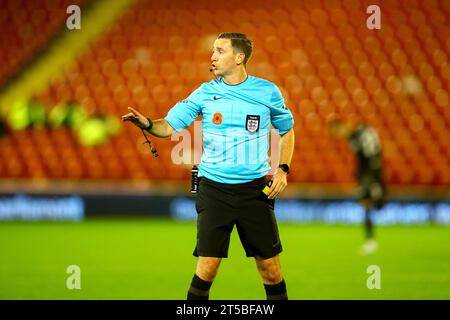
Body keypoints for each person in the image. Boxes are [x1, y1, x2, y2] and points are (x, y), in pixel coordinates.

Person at [122, 32, 295, 300]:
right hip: (213, 189)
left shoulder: (267, 91)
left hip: (255, 191)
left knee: (270, 269)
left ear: (239, 58)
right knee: (208, 265)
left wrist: (283, 168)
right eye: (213, 51)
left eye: (220, 51)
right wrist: (146, 124)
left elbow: (287, 131)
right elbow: (167, 126)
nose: (212, 56)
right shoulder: (204, 93)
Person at [328, 118, 386, 255]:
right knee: (366, 204)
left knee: (375, 204)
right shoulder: (354, 136)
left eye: (336, 132)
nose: (338, 136)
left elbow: (372, 156)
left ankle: (371, 240)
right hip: (366, 175)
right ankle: (370, 240)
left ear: (341, 127)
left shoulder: (361, 134)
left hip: (372, 174)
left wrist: (372, 180)